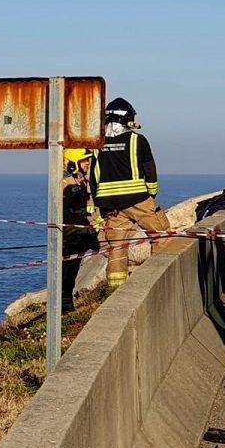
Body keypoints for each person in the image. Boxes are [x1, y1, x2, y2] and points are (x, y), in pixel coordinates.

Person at [90, 98, 169, 291]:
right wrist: (151, 194)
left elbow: (94, 177)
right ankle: (158, 282)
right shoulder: (137, 140)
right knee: (162, 236)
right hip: (138, 200)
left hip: (111, 207)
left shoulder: (98, 144)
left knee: (117, 249)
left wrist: (100, 203)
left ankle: (115, 290)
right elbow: (149, 170)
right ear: (127, 118)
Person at [61, 148, 100, 310]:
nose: (87, 163)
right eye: (84, 160)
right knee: (67, 272)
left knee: (73, 270)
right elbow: (66, 213)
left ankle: (67, 305)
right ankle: (64, 307)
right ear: (73, 163)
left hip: (81, 234)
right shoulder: (65, 183)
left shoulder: (81, 180)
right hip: (70, 237)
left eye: (88, 160)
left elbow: (89, 210)